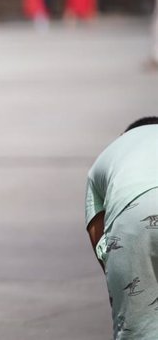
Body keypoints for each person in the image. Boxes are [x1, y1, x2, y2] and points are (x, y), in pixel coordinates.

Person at [85, 116, 158, 339]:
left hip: (137, 208)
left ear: (123, 136)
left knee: (141, 329)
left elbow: (101, 244)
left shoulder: (110, 153)